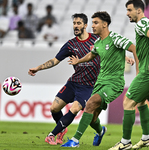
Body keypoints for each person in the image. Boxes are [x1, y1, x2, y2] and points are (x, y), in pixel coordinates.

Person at [61, 11, 138, 148]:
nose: (92, 26)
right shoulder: (98, 42)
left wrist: (138, 71)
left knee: (90, 104)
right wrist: (78, 61)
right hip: (100, 82)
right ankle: (100, 130)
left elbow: (134, 49)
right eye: (93, 23)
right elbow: (91, 55)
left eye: (96, 23)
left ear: (105, 24)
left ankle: (75, 140)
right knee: (92, 118)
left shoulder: (115, 38)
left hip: (114, 83)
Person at [28, 13, 100, 145]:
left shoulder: (96, 39)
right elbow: (55, 60)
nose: (76, 26)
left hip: (88, 85)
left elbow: (111, 50)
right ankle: (62, 129)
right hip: (73, 82)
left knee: (75, 109)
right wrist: (38, 68)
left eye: (79, 23)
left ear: (85, 25)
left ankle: (51, 135)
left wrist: (125, 58)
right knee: (54, 108)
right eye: (74, 23)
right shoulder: (71, 44)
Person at [108, 0, 149, 150]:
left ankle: (125, 142)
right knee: (140, 102)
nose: (127, 13)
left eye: (129, 10)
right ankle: (146, 139)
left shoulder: (142, 24)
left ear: (139, 11)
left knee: (128, 101)